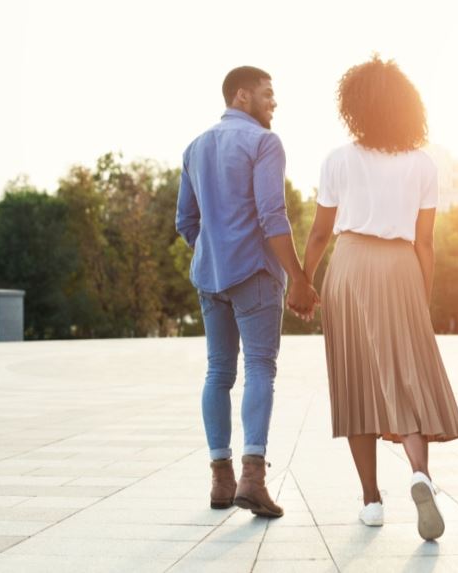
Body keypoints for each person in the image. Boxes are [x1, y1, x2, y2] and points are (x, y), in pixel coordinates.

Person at [302, 56, 458, 541]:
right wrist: (422, 294)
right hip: (401, 268)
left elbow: (319, 233)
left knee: (356, 381)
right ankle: (420, 474)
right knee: (407, 377)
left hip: (349, 266)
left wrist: (304, 281)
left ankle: (371, 500)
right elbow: (427, 242)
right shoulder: (422, 164)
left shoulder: (338, 159)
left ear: (353, 107)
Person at [176, 65, 317, 518]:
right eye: (267, 94)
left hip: (209, 277)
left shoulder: (194, 147)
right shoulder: (263, 142)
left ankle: (222, 480)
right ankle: (253, 479)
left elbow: (185, 222)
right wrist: (299, 277)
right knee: (260, 368)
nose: (274, 102)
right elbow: (273, 216)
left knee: (218, 373)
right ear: (241, 96)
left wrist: (214, 251)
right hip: (255, 273)